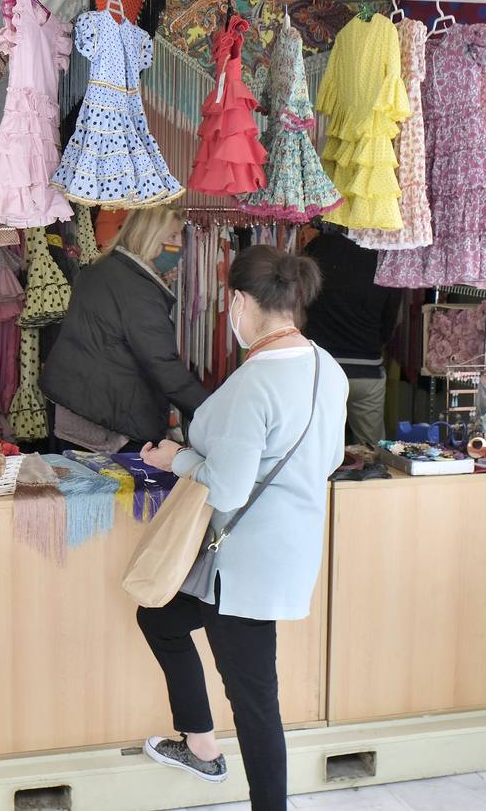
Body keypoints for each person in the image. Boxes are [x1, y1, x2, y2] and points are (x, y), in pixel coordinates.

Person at [136, 244, 347, 811]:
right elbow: (326, 460)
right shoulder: (327, 367)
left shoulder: (252, 383)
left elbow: (225, 489)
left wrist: (171, 459)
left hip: (239, 569)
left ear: (237, 302)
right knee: (157, 616)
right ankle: (201, 746)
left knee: (255, 703)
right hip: (287, 552)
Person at [41, 207, 208, 452]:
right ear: (147, 236)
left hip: (75, 404)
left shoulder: (102, 268)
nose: (180, 244)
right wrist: (210, 412)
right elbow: (162, 362)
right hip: (105, 418)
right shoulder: (139, 289)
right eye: (172, 236)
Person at [299, 223, 401, 446]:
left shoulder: (318, 248)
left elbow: (301, 303)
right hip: (367, 368)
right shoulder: (383, 256)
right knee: (372, 450)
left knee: (316, 447)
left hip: (322, 368)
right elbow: (390, 319)